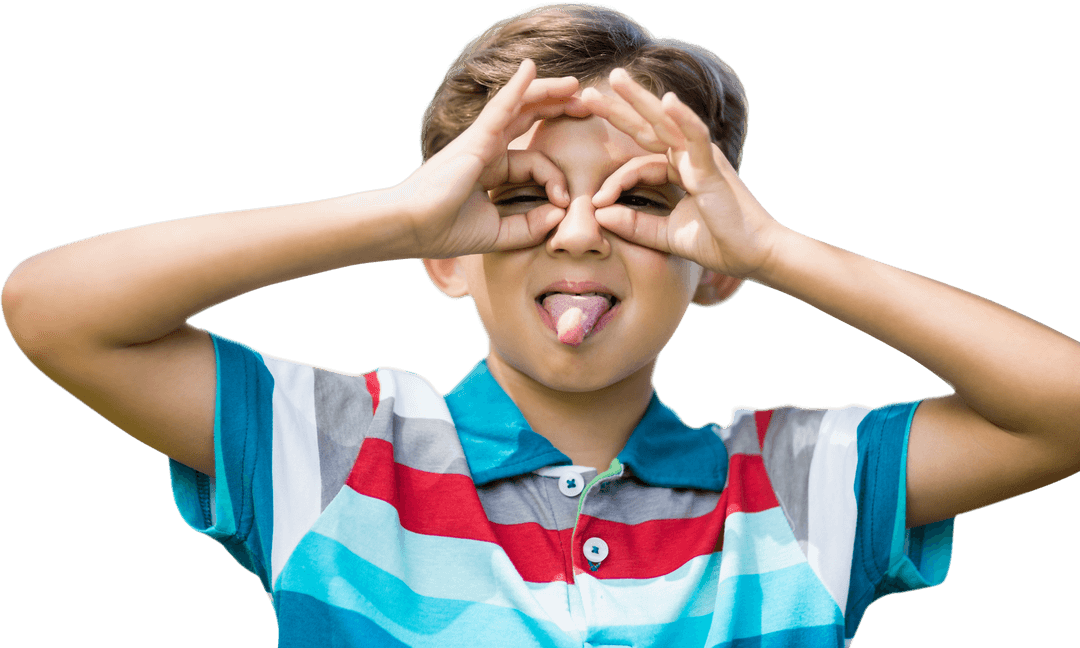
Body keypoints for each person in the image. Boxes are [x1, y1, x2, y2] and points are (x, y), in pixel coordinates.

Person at [3, 3, 1078, 647]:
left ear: (712, 267)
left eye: (643, 201)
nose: (576, 235)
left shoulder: (796, 490)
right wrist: (398, 213)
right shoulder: (337, 454)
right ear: (443, 254)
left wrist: (778, 250)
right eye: (518, 196)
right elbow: (53, 310)